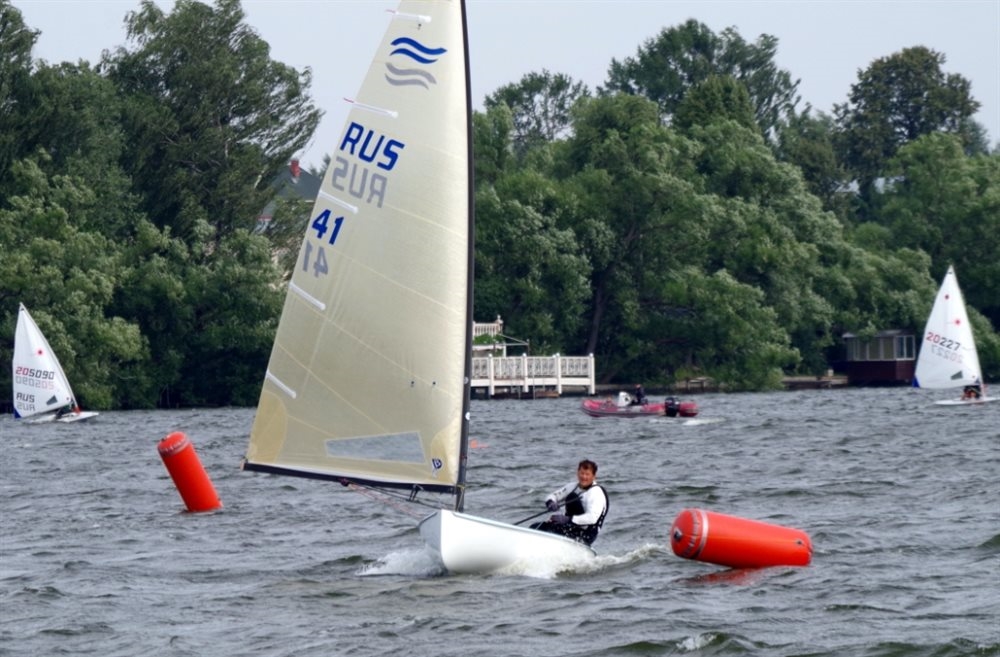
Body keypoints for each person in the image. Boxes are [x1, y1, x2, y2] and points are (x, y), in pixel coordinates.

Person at [531, 459, 609, 546]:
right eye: (582, 473)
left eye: (587, 474)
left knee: (572, 497)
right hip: (570, 527)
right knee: (536, 527)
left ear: (594, 476)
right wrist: (551, 503)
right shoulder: (572, 486)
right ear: (577, 473)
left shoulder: (596, 493)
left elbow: (592, 518)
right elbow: (553, 496)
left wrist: (568, 519)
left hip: (586, 534)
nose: (584, 477)